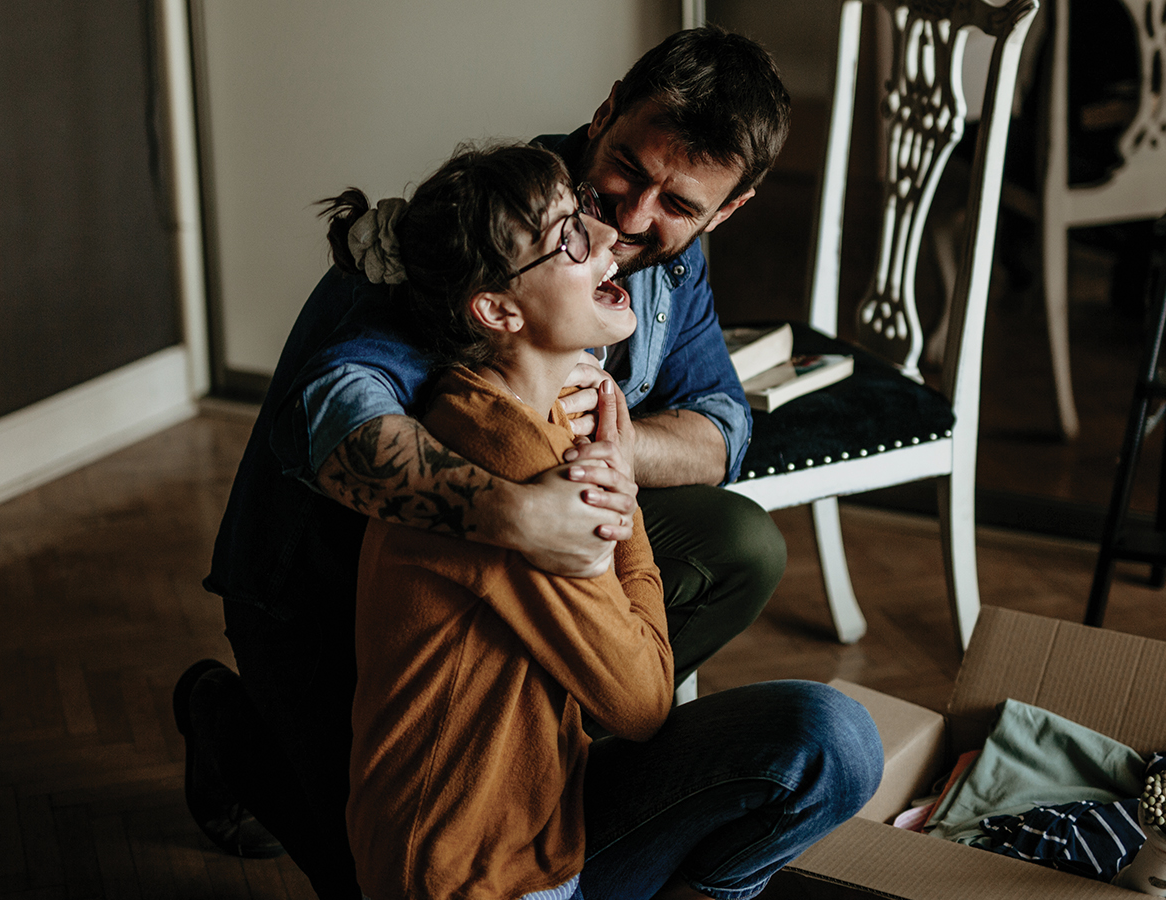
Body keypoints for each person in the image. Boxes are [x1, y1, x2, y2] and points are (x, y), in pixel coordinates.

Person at [174, 26, 806, 898]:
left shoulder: (674, 259)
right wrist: (515, 515)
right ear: (605, 110)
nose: (630, 216)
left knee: (740, 540)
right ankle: (228, 725)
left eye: (677, 203)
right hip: (325, 587)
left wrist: (615, 454)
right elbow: (330, 410)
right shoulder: (496, 220)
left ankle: (538, 744)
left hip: (518, 575)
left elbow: (722, 426)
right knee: (384, 875)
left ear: (724, 212)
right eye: (627, 167)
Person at [339, 139, 882, 900]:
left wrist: (609, 469)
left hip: (545, 824)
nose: (606, 241)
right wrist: (621, 501)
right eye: (570, 239)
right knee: (829, 741)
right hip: (477, 879)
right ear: (497, 310)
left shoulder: (527, 413)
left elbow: (722, 421)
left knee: (834, 739)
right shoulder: (518, 455)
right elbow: (642, 702)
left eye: (581, 216)